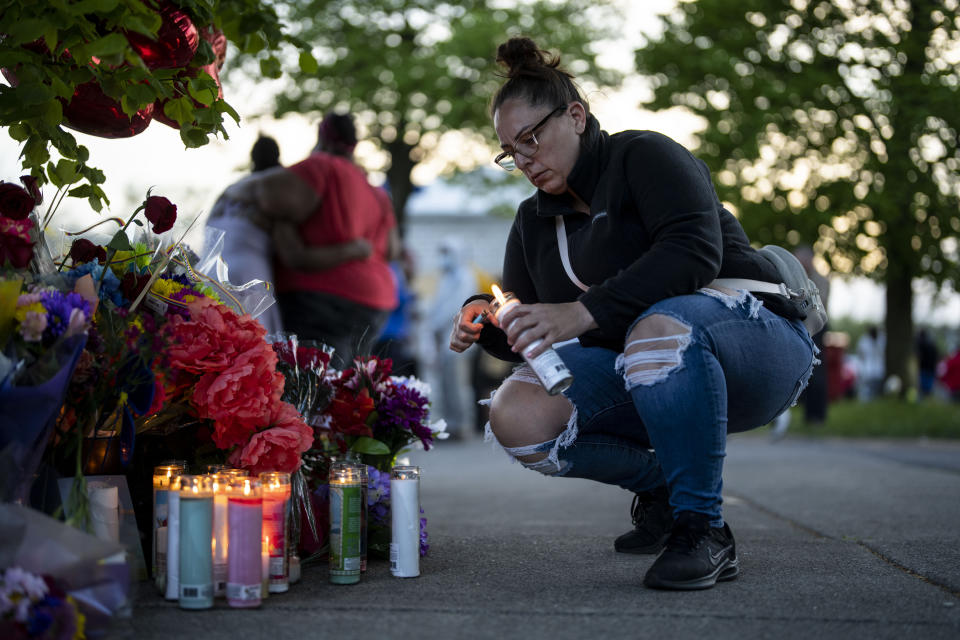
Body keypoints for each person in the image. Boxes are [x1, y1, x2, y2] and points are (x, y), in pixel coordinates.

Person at [448, 38, 817, 591]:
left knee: (657, 326)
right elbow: (526, 319)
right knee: (516, 412)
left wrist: (582, 312)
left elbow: (694, 251)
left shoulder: (644, 155)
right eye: (510, 151)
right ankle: (664, 490)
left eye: (531, 139)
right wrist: (488, 320)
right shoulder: (533, 221)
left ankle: (704, 529)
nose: (524, 160)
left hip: (758, 345)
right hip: (648, 367)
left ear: (575, 115)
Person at [222, 113, 400, 368]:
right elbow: (393, 249)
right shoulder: (376, 191)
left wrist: (237, 191)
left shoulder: (322, 167)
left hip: (322, 300)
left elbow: (267, 194)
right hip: (376, 304)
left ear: (322, 140)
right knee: (344, 392)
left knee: (309, 391)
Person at [207, 135, 370, 335]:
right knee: (250, 338)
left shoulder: (232, 190)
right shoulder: (276, 193)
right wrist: (352, 249)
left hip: (210, 269)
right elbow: (293, 253)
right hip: (249, 274)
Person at [427, 238, 479, 438]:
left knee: (459, 385)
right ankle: (451, 426)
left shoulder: (465, 277)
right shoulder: (447, 278)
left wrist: (435, 323)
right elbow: (436, 306)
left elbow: (455, 308)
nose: (443, 258)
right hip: (443, 340)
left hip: (461, 338)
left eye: (447, 252)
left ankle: (463, 426)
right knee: (447, 385)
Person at [856, 326, 885, 401]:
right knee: (869, 391)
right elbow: (860, 354)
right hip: (868, 370)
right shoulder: (864, 340)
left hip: (879, 370)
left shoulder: (882, 339)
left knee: (877, 392)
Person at [915, 328, 939, 398]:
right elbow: (937, 356)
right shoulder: (933, 344)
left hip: (924, 367)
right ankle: (927, 397)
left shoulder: (920, 343)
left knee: (923, 386)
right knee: (928, 386)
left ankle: (924, 397)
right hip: (931, 368)